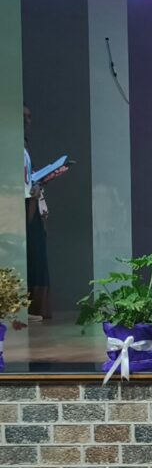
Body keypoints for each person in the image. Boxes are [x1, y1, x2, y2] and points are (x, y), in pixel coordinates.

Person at [23, 105, 50, 321]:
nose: (26, 121)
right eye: (22, 116)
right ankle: (23, 308)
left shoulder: (24, 146)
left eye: (29, 116)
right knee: (30, 254)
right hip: (22, 206)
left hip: (31, 203)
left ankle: (34, 308)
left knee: (37, 255)